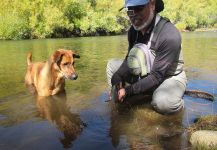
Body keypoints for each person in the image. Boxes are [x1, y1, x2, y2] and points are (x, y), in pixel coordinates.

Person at [106, 0, 187, 114]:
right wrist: (118, 77)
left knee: (163, 104)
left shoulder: (169, 35)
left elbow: (156, 76)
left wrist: (128, 91)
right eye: (130, 11)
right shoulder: (133, 32)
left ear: (152, 4)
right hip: (145, 73)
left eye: (138, 8)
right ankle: (114, 98)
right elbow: (128, 59)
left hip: (168, 77)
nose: (134, 16)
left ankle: (176, 102)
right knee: (112, 66)